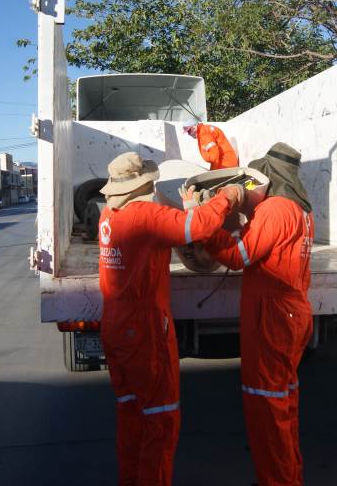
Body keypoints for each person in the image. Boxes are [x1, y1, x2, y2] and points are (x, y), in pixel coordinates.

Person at [97, 151, 243, 486]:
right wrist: (227, 196)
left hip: (116, 325)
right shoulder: (144, 214)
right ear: (143, 184)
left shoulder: (108, 215)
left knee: (131, 415)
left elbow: (172, 233)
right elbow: (197, 228)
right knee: (160, 420)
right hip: (143, 330)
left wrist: (191, 207)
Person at [202, 143, 314, 486]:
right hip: (290, 313)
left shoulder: (276, 210)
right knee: (282, 400)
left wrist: (206, 227)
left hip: (272, 317)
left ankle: (276, 481)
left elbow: (238, 256)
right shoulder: (300, 210)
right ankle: (287, 476)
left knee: (266, 405)